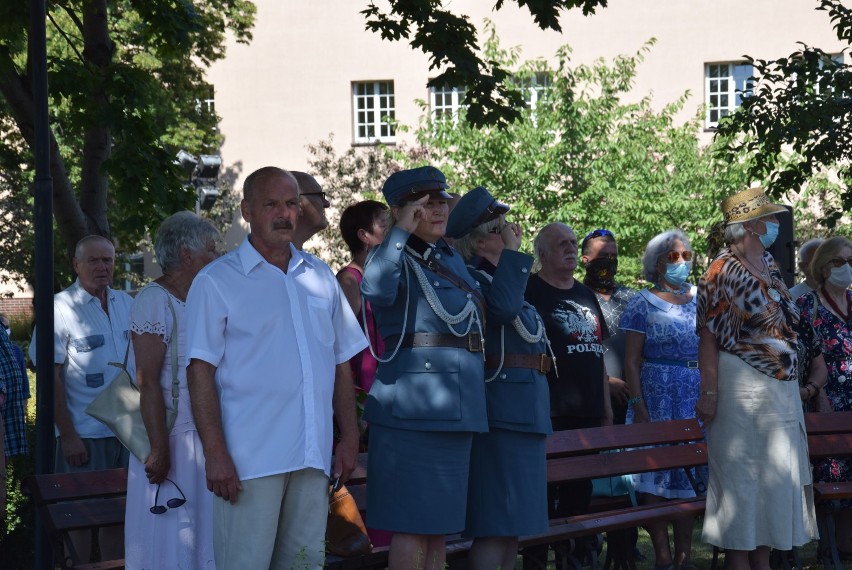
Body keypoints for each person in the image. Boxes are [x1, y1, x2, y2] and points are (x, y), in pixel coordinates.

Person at [185, 167, 366, 569]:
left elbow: (340, 362)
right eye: (271, 204)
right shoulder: (217, 281)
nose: (284, 213)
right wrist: (214, 453)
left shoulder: (319, 276)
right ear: (247, 210)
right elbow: (199, 372)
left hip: (311, 453)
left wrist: (349, 437)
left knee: (304, 564)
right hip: (249, 460)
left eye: (291, 203)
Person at [360, 166, 488, 570]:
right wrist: (399, 232)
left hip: (456, 404)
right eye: (425, 203)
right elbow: (377, 289)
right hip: (413, 412)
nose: (438, 210)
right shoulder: (391, 255)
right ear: (403, 211)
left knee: (437, 528)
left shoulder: (446, 257)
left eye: (441, 202)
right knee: (413, 526)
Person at [695, 187, 818, 570]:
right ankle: (739, 562)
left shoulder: (770, 264)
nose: (776, 224)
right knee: (741, 482)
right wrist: (710, 392)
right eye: (769, 218)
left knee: (773, 482)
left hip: (779, 390)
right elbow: (708, 337)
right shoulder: (721, 270)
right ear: (749, 226)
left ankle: (763, 562)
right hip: (740, 386)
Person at [447, 186, 551, 570]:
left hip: (523, 412)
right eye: (500, 228)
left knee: (512, 528)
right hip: (501, 413)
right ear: (477, 241)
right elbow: (505, 310)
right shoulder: (476, 279)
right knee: (495, 524)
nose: (512, 232)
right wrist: (513, 255)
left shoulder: (502, 278)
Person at [124, 212, 221, 569]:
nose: (218, 256)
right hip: (171, 438)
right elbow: (146, 381)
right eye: (212, 249)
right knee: (172, 535)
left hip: (204, 436)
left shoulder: (202, 297)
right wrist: (158, 450)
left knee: (203, 536)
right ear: (186, 254)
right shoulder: (154, 300)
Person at [29, 235, 134, 563]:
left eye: (108, 260)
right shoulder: (59, 309)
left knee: (120, 515)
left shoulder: (127, 304)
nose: (103, 267)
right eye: (94, 260)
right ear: (76, 265)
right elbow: (51, 376)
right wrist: (69, 435)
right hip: (86, 436)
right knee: (81, 519)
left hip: (128, 434)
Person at [523, 222, 613, 570]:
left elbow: (598, 353)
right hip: (550, 408)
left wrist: (605, 408)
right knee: (543, 492)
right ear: (542, 254)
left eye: (574, 242)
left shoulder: (585, 294)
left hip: (588, 409)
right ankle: (535, 559)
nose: (571, 248)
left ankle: (573, 560)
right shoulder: (530, 290)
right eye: (561, 243)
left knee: (579, 491)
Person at [620, 229, 702, 570]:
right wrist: (638, 404)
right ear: (656, 264)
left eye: (686, 256)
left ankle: (683, 555)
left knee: (689, 473)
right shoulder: (641, 302)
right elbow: (631, 360)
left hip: (695, 394)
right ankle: (662, 555)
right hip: (656, 393)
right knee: (655, 473)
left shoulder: (703, 297)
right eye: (673, 256)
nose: (681, 262)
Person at [797, 236, 852, 553]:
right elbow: (802, 358)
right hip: (825, 399)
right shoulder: (807, 306)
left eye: (851, 261)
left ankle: (845, 543)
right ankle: (828, 544)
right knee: (831, 469)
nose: (846, 268)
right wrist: (817, 393)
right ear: (823, 266)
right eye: (839, 261)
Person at [336, 200, 389, 394]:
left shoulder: (383, 277)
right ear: (364, 236)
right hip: (364, 388)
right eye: (385, 226)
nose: (392, 233)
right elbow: (340, 342)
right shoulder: (349, 281)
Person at [1, 314, 30, 464]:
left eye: (6, 327)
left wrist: (23, 409)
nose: (6, 330)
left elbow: (23, 385)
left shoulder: (15, 351)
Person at [292, 171, 331, 249]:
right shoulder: (264, 260)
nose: (327, 204)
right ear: (297, 203)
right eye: (319, 195)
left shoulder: (310, 261)